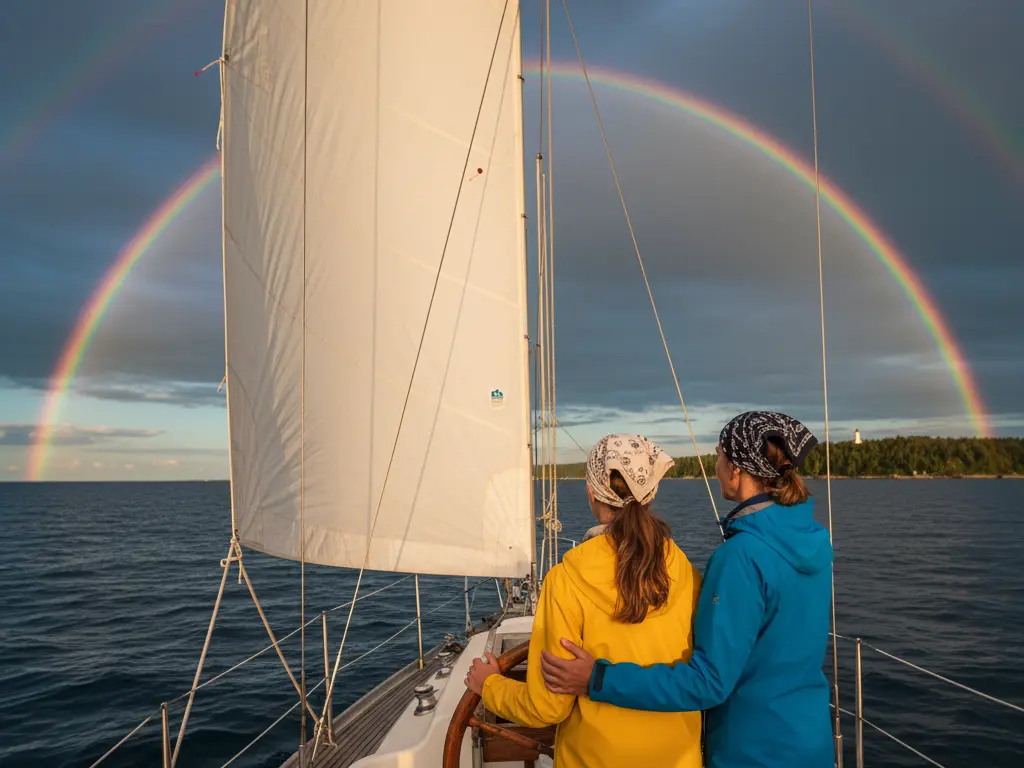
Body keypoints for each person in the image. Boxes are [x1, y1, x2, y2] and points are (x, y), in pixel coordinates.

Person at [540, 412, 835, 768]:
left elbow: (708, 683)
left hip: (752, 752)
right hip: (810, 742)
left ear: (737, 471)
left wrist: (598, 677)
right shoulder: (815, 540)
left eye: (720, 455)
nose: (716, 464)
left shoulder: (741, 556)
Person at [464, 434, 703, 768]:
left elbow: (548, 706)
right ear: (652, 492)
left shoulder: (565, 581)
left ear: (592, 494)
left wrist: (489, 685)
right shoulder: (688, 573)